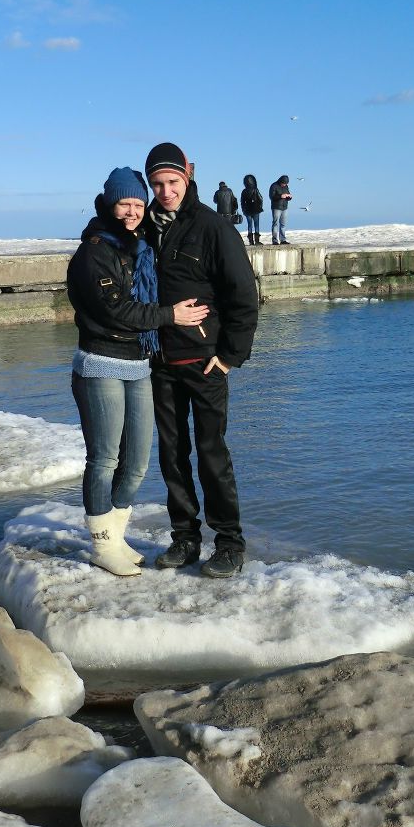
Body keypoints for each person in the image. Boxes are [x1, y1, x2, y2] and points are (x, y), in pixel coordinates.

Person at [67, 166, 209, 576]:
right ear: (111, 203)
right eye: (125, 203)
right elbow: (115, 309)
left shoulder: (140, 244)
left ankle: (116, 534)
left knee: (137, 463)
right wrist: (171, 316)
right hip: (100, 364)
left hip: (138, 362)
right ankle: (102, 545)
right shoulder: (94, 251)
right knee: (104, 459)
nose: (132, 211)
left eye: (138, 204)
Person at [144, 142, 259, 579]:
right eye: (157, 183)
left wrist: (230, 357)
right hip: (160, 363)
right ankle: (185, 538)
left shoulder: (213, 228)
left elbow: (244, 297)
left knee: (212, 454)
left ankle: (229, 543)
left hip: (205, 362)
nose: (166, 191)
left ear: (187, 177)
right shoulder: (147, 230)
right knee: (172, 455)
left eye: (172, 182)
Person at [241, 174, 264, 245]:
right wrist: (260, 206)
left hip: (247, 210)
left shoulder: (244, 191)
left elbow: (242, 202)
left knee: (249, 225)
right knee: (256, 225)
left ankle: (251, 242)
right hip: (256, 209)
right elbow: (261, 199)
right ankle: (257, 241)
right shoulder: (255, 190)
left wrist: (243, 210)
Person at [269, 175, 292, 244]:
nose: (284, 185)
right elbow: (271, 197)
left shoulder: (286, 186)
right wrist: (280, 196)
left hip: (285, 207)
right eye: (284, 183)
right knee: (275, 223)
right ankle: (275, 240)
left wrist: (289, 197)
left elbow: (287, 195)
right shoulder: (274, 185)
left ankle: (283, 240)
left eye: (286, 184)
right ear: (281, 181)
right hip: (276, 207)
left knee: (283, 224)